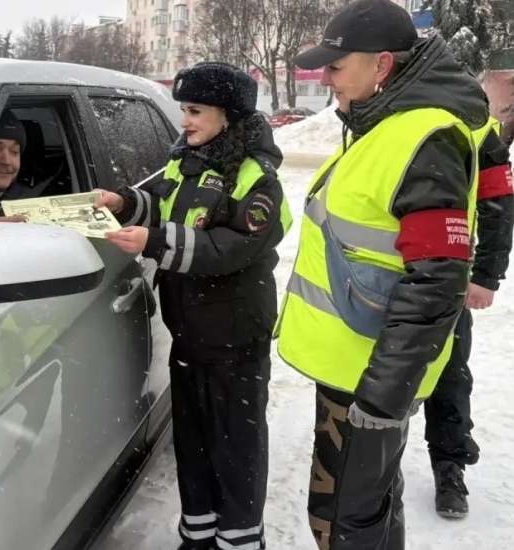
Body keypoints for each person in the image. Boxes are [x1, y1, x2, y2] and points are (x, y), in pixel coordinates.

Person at [276, 0, 489, 548]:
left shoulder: (424, 137)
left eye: (336, 67)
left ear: (383, 66)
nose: (327, 80)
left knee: (344, 523)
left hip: (368, 380)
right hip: (354, 368)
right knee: (362, 513)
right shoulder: (386, 123)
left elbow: (436, 282)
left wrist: (382, 401)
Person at [97, 61, 291, 550]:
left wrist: (154, 241)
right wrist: (121, 203)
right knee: (193, 442)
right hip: (189, 333)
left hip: (235, 338)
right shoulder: (184, 162)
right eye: (184, 109)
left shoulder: (255, 176)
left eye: (196, 110)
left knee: (236, 447)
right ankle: (198, 534)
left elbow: (233, 247)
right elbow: (156, 204)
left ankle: (241, 541)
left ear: (229, 115)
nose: (185, 120)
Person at [426, 116, 513, 518]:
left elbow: (498, 203)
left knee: (449, 375)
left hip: (448, 276)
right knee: (376, 376)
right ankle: (372, 470)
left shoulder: (478, 128)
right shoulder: (379, 112)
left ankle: (450, 467)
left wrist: (487, 276)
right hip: (377, 274)